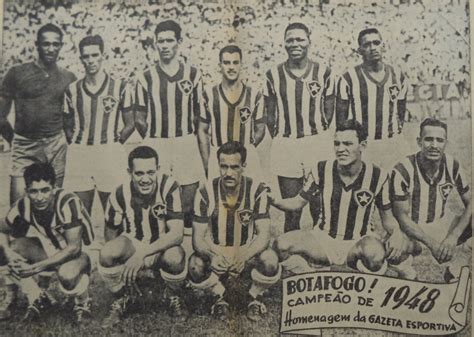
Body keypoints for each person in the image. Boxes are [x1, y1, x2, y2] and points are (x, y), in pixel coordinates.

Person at [273, 120, 412, 276]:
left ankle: (357, 271)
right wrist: (274, 200)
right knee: (281, 244)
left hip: (358, 241)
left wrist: (397, 233)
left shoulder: (377, 175)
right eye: (337, 144)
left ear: (363, 145)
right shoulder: (321, 169)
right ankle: (309, 277)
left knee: (375, 253)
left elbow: (387, 219)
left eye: (348, 144)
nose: (341, 149)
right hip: (323, 240)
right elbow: (297, 202)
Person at [188, 141, 280, 322]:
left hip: (246, 248)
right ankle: (219, 298)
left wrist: (244, 255)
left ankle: (254, 297)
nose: (228, 173)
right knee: (194, 265)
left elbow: (263, 235)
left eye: (234, 167)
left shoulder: (257, 190)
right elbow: (197, 239)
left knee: (270, 260)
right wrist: (212, 255)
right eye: (224, 167)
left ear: (244, 166)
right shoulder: (205, 192)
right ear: (218, 166)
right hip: (218, 249)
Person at [98, 146, 188, 328]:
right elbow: (110, 232)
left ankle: (172, 296)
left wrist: (143, 255)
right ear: (129, 172)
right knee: (107, 252)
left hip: (162, 244)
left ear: (158, 169)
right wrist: (123, 266)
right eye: (139, 173)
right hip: (133, 243)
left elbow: (177, 234)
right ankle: (123, 297)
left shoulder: (170, 187)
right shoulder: (119, 193)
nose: (145, 179)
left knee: (175, 256)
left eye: (150, 172)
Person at [134, 20, 204, 239]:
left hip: (185, 141)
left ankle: (185, 247)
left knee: (188, 198)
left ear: (179, 42)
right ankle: (160, 246)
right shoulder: (145, 77)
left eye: (169, 40)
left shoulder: (193, 74)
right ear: (155, 44)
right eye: (160, 41)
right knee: (158, 196)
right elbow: (139, 118)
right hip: (157, 142)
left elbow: (198, 115)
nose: (164, 45)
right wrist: (154, 137)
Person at [0, 163, 94, 324]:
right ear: (26, 191)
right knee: (8, 250)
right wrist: (8, 253)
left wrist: (37, 267)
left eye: (45, 190)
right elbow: (2, 229)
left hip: (84, 252)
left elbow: (74, 248)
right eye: (34, 191)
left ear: (54, 187)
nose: (40, 197)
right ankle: (35, 294)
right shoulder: (23, 205)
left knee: (67, 274)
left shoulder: (67, 201)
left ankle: (83, 302)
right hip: (52, 248)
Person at [264, 22, 335, 233]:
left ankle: (320, 252)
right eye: (290, 39)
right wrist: (283, 134)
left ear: (309, 42)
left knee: (319, 206)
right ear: (284, 44)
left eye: (300, 39)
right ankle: (292, 258)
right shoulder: (273, 75)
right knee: (292, 210)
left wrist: (316, 132)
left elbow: (328, 110)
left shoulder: (323, 72)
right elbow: (270, 114)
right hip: (287, 145)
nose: (295, 43)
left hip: (317, 143)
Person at [0, 23, 76, 205]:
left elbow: (71, 117)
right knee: (18, 207)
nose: (51, 49)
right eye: (46, 44)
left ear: (61, 46)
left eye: (55, 44)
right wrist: (15, 140)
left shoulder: (68, 77)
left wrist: (65, 139)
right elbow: (0, 115)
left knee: (53, 203)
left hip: (56, 145)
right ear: (37, 45)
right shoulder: (16, 73)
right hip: (25, 144)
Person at [390, 118, 471, 280]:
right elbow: (402, 218)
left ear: (445, 143)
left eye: (439, 140)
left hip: (441, 222)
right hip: (412, 230)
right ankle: (406, 272)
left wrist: (453, 236)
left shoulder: (452, 164)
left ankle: (455, 268)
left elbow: (471, 202)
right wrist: (433, 244)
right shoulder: (403, 169)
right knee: (392, 249)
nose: (434, 145)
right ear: (419, 141)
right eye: (428, 139)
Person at [63, 34, 134, 216]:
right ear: (81, 59)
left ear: (103, 55)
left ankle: (112, 245)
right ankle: (80, 245)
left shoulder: (120, 87)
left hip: (109, 152)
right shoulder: (72, 90)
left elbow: (130, 123)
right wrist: (78, 144)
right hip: (80, 154)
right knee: (77, 213)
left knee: (115, 213)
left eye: (95, 55)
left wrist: (114, 142)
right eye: (86, 56)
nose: (91, 61)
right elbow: (67, 125)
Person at [336, 27, 408, 168]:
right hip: (365, 145)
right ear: (360, 51)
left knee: (397, 186)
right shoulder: (348, 78)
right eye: (367, 45)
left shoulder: (398, 75)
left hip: (393, 143)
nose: (372, 48)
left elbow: (401, 110)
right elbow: (341, 117)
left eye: (376, 43)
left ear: (383, 46)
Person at [198, 45, 265, 180]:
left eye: (235, 62)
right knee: (218, 199)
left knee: (249, 196)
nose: (231, 67)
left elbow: (260, 129)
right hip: (218, 156)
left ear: (242, 65)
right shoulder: (208, 95)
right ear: (220, 65)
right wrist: (207, 163)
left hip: (246, 158)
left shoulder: (254, 95)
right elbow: (202, 130)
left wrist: (246, 149)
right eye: (226, 62)